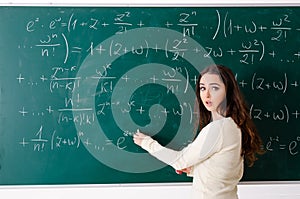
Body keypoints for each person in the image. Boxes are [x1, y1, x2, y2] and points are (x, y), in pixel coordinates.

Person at [133, 64, 264, 199]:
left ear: (228, 91)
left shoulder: (218, 129)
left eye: (214, 88)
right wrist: (192, 169)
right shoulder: (233, 126)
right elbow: (220, 172)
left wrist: (146, 142)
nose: (206, 94)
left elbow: (180, 161)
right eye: (202, 88)